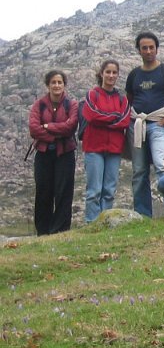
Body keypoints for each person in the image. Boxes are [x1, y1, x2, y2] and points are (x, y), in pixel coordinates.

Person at [126, 32, 164, 217]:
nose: (149, 51)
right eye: (145, 48)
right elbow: (128, 102)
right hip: (137, 127)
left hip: (158, 126)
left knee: (162, 166)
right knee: (139, 171)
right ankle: (142, 214)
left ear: (157, 49)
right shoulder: (134, 74)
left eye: (152, 47)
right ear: (139, 50)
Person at [28, 69, 78, 234]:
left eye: (60, 82)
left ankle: (60, 230)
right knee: (43, 191)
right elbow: (34, 129)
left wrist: (48, 127)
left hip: (65, 154)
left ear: (64, 85)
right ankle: (43, 231)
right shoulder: (39, 105)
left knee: (64, 192)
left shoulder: (71, 104)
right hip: (43, 154)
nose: (57, 85)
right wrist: (56, 135)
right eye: (53, 82)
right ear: (48, 85)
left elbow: (71, 127)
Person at [81, 60, 131, 222]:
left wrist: (104, 119)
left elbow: (124, 121)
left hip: (114, 149)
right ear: (101, 73)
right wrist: (113, 119)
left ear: (117, 75)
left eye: (114, 72)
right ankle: (91, 223)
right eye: (108, 72)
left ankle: (104, 222)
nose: (111, 75)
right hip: (94, 147)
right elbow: (91, 115)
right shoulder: (92, 95)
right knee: (94, 190)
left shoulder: (122, 99)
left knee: (109, 189)